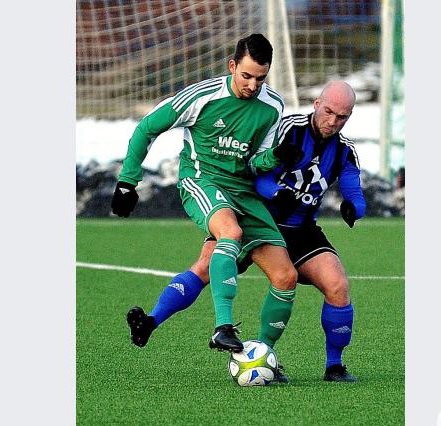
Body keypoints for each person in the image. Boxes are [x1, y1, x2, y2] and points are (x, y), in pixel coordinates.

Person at [127, 81, 365, 383]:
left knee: (337, 285)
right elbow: (255, 167)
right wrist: (275, 192)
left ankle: (332, 365)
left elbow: (354, 189)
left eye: (342, 117)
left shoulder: (345, 150)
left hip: (302, 231)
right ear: (317, 104)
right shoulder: (285, 128)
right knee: (204, 268)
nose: (333, 121)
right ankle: (151, 321)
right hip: (256, 219)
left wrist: (353, 208)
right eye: (329, 111)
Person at [111, 34, 302, 354]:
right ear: (232, 66)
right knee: (231, 232)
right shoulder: (202, 96)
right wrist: (128, 181)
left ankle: (262, 355)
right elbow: (148, 127)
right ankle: (223, 327)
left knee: (284, 277)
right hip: (203, 180)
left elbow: (257, 163)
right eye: (246, 76)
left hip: (243, 193)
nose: (253, 85)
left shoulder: (272, 107)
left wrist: (278, 157)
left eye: (260, 78)